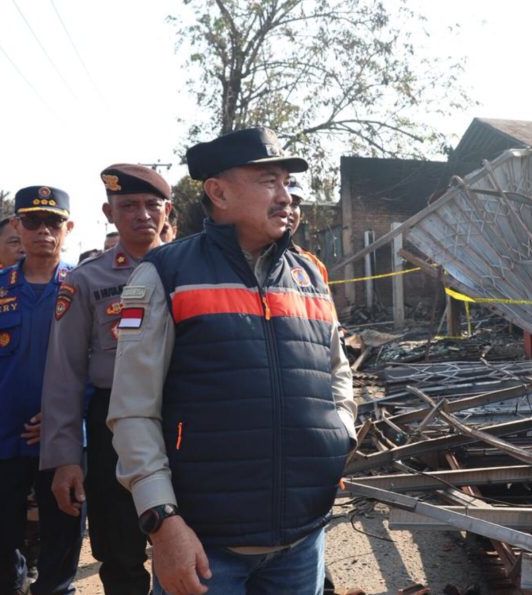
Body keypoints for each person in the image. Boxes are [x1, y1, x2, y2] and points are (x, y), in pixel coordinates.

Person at [107, 127, 356, 595]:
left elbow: (337, 374)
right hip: (204, 545)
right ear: (218, 191)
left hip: (302, 542)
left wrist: (337, 435)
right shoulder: (163, 273)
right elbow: (133, 409)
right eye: (268, 181)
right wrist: (162, 520)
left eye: (287, 182)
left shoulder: (309, 276)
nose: (286, 195)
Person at [41, 165, 172, 595]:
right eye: (128, 206)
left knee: (191, 543)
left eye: (152, 205)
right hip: (111, 421)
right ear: (108, 212)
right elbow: (64, 375)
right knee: (120, 552)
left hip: (182, 418)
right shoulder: (86, 280)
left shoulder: (190, 269)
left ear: (167, 210)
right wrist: (64, 459)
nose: (142, 214)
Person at [0, 186, 84, 595]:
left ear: (68, 228)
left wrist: (66, 416)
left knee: (62, 542)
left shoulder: (81, 288)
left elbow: (101, 366)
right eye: (32, 221)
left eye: (53, 222)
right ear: (17, 225)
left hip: (62, 442)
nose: (43, 230)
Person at [287, 178, 328, 285]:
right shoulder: (245, 261)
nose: (289, 211)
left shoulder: (314, 265)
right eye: (282, 203)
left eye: (295, 204)